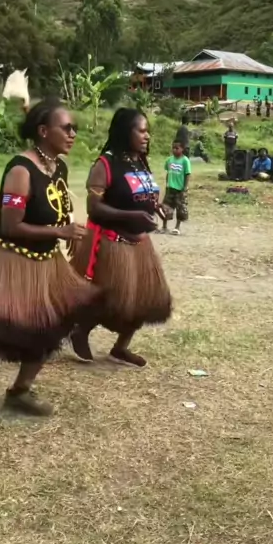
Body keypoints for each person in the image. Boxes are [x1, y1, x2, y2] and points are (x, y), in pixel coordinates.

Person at [0, 102, 97, 418]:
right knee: (8, 330)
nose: (73, 134)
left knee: (52, 326)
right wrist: (59, 230)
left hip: (45, 260)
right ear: (43, 131)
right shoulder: (21, 171)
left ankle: (20, 392)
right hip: (11, 258)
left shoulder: (58, 167)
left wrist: (66, 230)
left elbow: (55, 209)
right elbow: (11, 225)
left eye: (74, 128)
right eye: (66, 127)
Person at [69, 108, 171, 369]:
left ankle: (120, 348)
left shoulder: (140, 161)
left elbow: (142, 196)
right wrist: (131, 216)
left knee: (145, 300)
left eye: (148, 131)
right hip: (112, 244)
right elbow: (94, 208)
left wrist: (158, 206)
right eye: (142, 131)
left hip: (140, 244)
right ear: (126, 132)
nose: (147, 136)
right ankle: (80, 330)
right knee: (109, 300)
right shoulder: (105, 164)